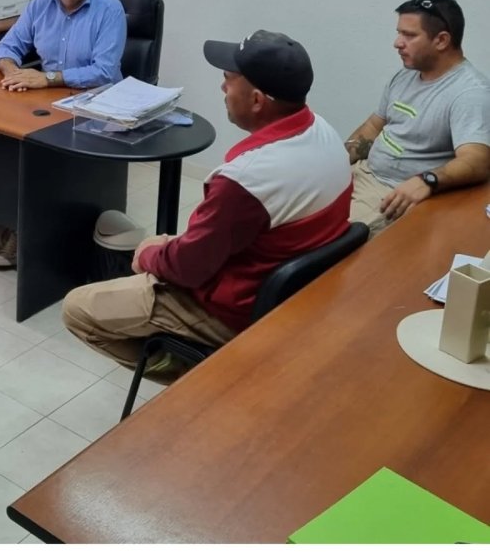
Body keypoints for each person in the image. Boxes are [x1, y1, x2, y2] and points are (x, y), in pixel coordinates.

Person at [62, 30, 352, 376]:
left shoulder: (245, 180)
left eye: (229, 79)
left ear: (257, 100)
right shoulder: (325, 132)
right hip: (293, 295)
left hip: (236, 309)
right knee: (161, 243)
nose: (222, 88)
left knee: (78, 308)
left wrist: (148, 256)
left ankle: (201, 375)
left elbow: (189, 268)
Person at [0, 0, 127, 270]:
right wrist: (14, 70)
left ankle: (23, 234)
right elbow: (4, 48)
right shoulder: (39, 7)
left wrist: (45, 78)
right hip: (52, 100)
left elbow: (104, 70)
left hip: (99, 104)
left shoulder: (111, 9)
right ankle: (12, 216)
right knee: (1, 139)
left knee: (37, 154)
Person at [345, 0, 490, 234]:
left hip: (389, 194)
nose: (397, 43)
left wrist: (427, 180)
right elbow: (372, 127)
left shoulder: (469, 93)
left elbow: (477, 161)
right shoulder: (406, 75)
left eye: (409, 35)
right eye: (399, 32)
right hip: (362, 172)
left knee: (314, 244)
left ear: (441, 40)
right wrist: (337, 162)